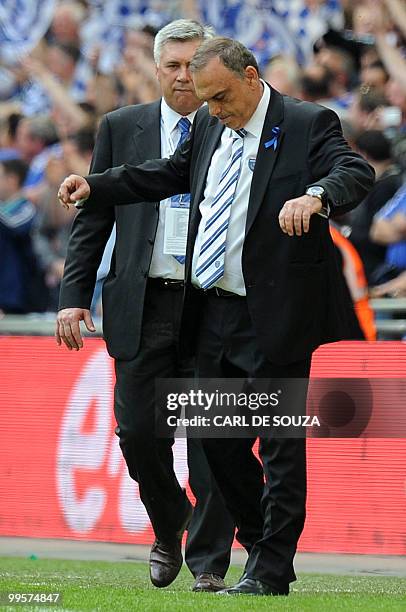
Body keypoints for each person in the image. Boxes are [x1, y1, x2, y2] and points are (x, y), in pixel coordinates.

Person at [58, 37, 375, 596]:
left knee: (278, 446)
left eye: (222, 97)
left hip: (273, 314)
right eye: (207, 101)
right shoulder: (209, 124)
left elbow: (356, 170)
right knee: (217, 443)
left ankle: (271, 568)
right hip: (213, 313)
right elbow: (165, 173)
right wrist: (97, 186)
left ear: (251, 77)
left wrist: (318, 196)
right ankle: (261, 546)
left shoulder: (304, 122)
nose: (215, 110)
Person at [56, 21, 235, 593]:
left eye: (193, 65)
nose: (184, 77)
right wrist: (73, 297)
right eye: (173, 65)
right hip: (144, 300)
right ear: (155, 69)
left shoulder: (233, 123)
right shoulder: (122, 126)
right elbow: (94, 218)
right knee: (137, 433)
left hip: (213, 302)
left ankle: (209, 563)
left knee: (214, 437)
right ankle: (168, 522)